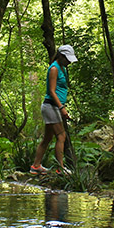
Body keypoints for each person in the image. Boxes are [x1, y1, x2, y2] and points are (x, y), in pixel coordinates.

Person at [30, 45, 77, 175]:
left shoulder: (62, 68)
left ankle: (35, 166)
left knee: (47, 138)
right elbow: (51, 90)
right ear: (61, 56)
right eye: (67, 59)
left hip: (53, 106)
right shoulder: (54, 69)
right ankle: (60, 169)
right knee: (61, 136)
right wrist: (61, 107)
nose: (68, 62)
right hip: (51, 106)